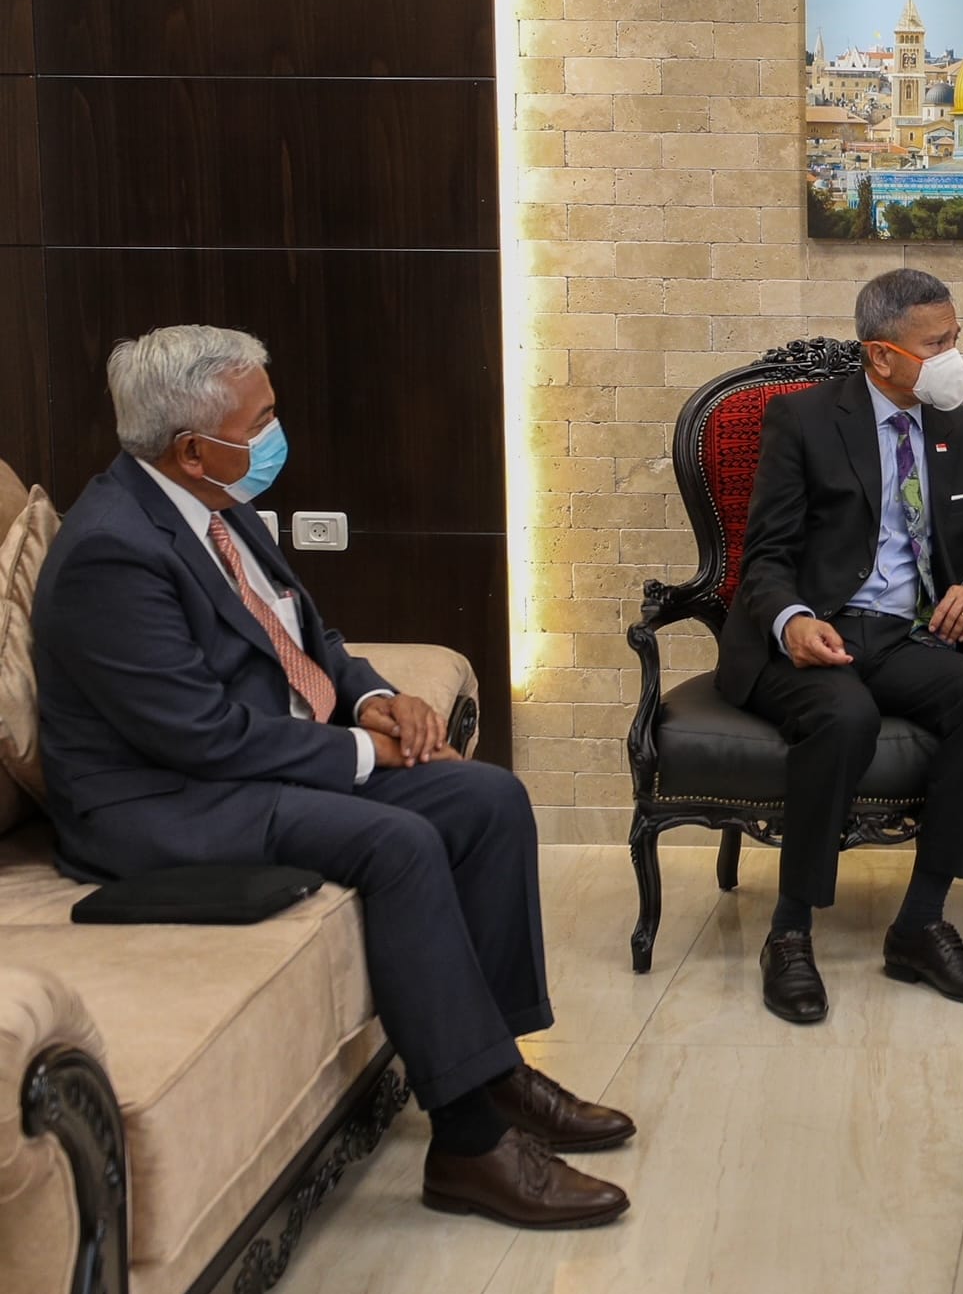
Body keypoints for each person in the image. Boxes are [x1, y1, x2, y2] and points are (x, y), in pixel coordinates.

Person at [33, 326, 634, 1230]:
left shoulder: (211, 499)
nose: (278, 433)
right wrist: (362, 755)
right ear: (194, 446)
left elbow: (309, 636)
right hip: (161, 802)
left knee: (487, 798)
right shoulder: (111, 552)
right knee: (396, 841)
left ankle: (497, 1068)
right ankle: (468, 1144)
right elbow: (197, 736)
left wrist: (375, 702)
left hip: (253, 760)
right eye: (262, 418)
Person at [719, 268, 963, 1025]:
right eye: (938, 343)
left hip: (908, 635)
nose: (955, 355)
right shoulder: (803, 421)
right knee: (845, 718)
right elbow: (765, 556)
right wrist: (791, 619)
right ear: (881, 355)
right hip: (814, 631)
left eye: (956, 337)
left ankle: (920, 924)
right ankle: (789, 933)